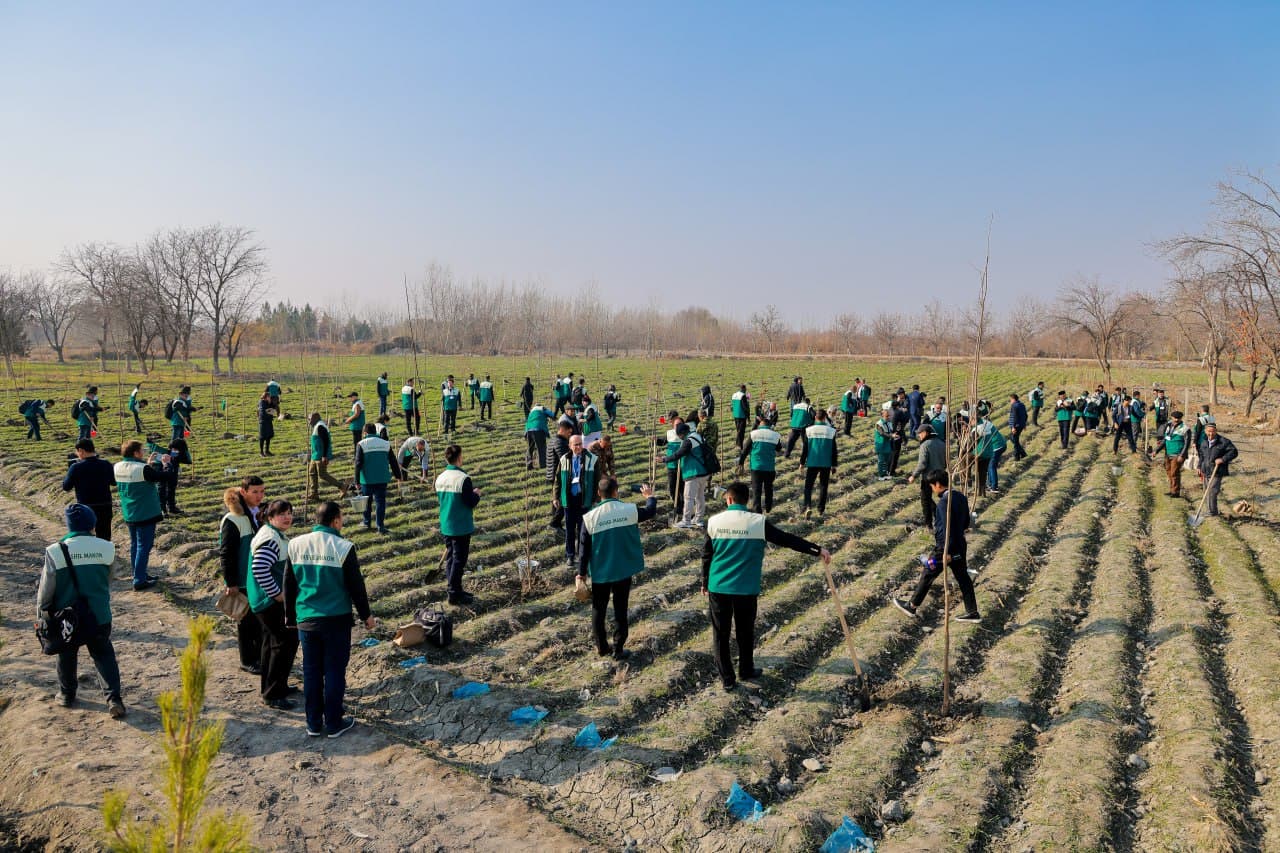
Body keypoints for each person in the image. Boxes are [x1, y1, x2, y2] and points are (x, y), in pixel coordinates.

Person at [702, 482, 830, 691]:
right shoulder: (758, 522)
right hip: (746, 588)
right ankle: (746, 669)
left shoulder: (714, 522)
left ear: (729, 499)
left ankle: (727, 679)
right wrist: (817, 550)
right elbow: (787, 539)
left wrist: (704, 581)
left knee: (720, 634)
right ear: (747, 500)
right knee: (745, 631)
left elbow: (707, 555)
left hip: (719, 586)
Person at [284, 501, 376, 738]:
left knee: (311, 672)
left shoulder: (295, 544)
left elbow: (289, 584)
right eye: (341, 518)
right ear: (335, 521)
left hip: (306, 619)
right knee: (334, 670)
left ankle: (313, 723)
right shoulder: (343, 547)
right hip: (336, 620)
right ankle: (334, 722)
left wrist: (290, 616)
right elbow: (356, 586)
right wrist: (366, 616)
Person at [38, 504, 126, 718]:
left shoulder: (55, 551)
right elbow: (109, 579)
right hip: (99, 615)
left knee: (66, 654)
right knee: (103, 654)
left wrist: (42, 614)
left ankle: (66, 694)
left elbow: (46, 589)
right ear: (92, 524)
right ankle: (114, 699)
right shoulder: (107, 548)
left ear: (69, 525)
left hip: (67, 617)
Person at [577, 479, 657, 661]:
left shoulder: (589, 518)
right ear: (616, 492)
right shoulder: (629, 510)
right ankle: (618, 648)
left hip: (601, 572)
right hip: (622, 570)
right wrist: (650, 496)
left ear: (599, 493)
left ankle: (602, 647)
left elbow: (583, 550)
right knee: (621, 608)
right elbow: (650, 511)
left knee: (598, 609)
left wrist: (581, 573)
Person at [893, 470, 981, 622]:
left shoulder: (944, 503)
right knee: (963, 578)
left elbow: (946, 529)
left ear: (938, 484)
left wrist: (946, 551)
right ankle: (972, 612)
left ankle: (912, 606)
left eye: (932, 486)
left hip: (945, 548)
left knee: (929, 570)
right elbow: (967, 522)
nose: (933, 490)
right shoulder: (960, 497)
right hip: (960, 544)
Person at [247, 498, 299, 709]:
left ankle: (275, 686)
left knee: (271, 644)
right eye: (281, 514)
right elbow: (260, 568)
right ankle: (273, 694)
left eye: (289, 513)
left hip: (264, 600)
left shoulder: (273, 534)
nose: (287, 517)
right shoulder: (270, 539)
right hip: (268, 601)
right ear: (270, 517)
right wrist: (277, 594)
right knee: (283, 644)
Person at [221, 477, 266, 674]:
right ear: (243, 491)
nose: (259, 496)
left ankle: (260, 656)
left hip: (259, 576)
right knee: (246, 621)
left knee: (259, 620)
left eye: (262, 491)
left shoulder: (259, 513)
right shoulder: (233, 519)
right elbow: (227, 553)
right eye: (255, 492)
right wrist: (231, 582)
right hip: (243, 578)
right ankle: (247, 660)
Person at [436, 444, 483, 604]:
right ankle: (454, 593)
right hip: (460, 525)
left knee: (451, 558)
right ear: (459, 457)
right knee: (459, 560)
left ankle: (455, 589)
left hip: (446, 524)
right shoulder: (463, 479)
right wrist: (476, 494)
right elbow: (469, 502)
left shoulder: (440, 478)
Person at [113, 440, 163, 591]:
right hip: (145, 512)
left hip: (129, 511)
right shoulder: (143, 469)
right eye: (142, 450)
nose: (143, 452)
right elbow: (161, 477)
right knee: (144, 546)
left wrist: (148, 464)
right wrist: (165, 464)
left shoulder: (117, 466)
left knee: (135, 544)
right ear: (135, 453)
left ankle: (139, 573)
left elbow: (136, 475)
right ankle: (139, 579)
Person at [556, 434, 600, 565]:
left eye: (580, 444)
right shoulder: (564, 459)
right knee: (570, 530)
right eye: (576, 445)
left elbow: (597, 480)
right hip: (569, 499)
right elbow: (557, 480)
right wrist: (555, 497)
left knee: (583, 530)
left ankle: (582, 555)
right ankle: (570, 555)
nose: (579, 447)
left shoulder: (592, 459)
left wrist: (596, 498)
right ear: (570, 446)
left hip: (584, 499)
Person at [62, 439, 115, 541]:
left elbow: (66, 487)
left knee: (85, 537)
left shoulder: (76, 467)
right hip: (105, 506)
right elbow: (114, 482)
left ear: (81, 451)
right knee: (104, 536)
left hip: (86, 508)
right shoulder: (106, 464)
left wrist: (70, 469)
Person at [354, 423, 402, 534]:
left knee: (367, 502)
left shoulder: (361, 444)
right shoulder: (385, 443)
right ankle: (380, 526)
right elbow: (393, 461)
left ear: (365, 433)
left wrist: (356, 480)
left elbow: (358, 463)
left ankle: (366, 522)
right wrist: (398, 475)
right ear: (375, 431)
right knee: (380, 502)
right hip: (382, 478)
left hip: (367, 479)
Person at [662, 422, 711, 528]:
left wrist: (664, 459)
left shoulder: (688, 441)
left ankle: (686, 520)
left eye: (679, 435)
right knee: (700, 497)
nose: (679, 437)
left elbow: (678, 454)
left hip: (693, 472)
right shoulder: (698, 436)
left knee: (688, 497)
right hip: (704, 471)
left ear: (682, 433)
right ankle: (699, 519)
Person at [739, 416, 783, 513]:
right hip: (769, 467)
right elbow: (779, 448)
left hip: (756, 467)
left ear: (760, 424)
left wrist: (741, 462)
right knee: (768, 488)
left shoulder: (753, 434)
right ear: (769, 426)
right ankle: (768, 507)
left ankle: (757, 510)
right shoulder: (775, 435)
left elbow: (745, 449)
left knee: (756, 490)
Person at [907, 423, 947, 526]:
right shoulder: (942, 443)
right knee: (941, 498)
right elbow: (946, 461)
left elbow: (922, 464)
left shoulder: (925, 445)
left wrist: (913, 475)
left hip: (928, 477)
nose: (919, 435)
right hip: (941, 475)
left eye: (920, 433)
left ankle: (928, 524)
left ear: (925, 433)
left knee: (925, 500)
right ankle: (941, 518)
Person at [802, 409, 838, 517]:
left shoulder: (809, 430)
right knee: (823, 486)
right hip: (826, 463)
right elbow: (834, 449)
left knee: (808, 486)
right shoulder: (831, 431)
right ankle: (821, 509)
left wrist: (802, 462)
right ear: (825, 418)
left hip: (812, 462)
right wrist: (834, 464)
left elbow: (805, 448)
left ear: (815, 417)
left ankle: (807, 506)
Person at [1197, 422, 1237, 517]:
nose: (1211, 434)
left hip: (1217, 471)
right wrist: (1199, 466)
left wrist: (1223, 459)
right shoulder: (1203, 441)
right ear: (1205, 431)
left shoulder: (1224, 441)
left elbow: (1234, 452)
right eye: (1209, 431)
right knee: (1206, 490)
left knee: (1212, 491)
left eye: (1213, 431)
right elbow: (1201, 455)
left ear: (1216, 431)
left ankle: (1212, 512)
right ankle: (1210, 510)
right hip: (1206, 470)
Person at [306, 413, 347, 501]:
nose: (309, 422)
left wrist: (324, 456)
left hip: (320, 455)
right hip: (315, 455)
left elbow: (326, 441)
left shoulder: (320, 426)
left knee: (323, 474)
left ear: (315, 418)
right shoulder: (317, 426)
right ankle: (314, 493)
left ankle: (341, 486)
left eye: (310, 419)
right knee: (312, 473)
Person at [1155, 410, 1190, 497]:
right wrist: (1156, 450)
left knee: (1174, 472)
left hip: (1177, 454)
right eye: (1175, 418)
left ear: (1181, 418)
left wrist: (1182, 455)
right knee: (1169, 471)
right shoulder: (1168, 427)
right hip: (1168, 453)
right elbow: (1165, 440)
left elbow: (1187, 444)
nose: (1176, 420)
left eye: (1178, 418)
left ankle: (1176, 492)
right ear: (1172, 417)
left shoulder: (1185, 429)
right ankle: (1172, 489)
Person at [974, 414, 1007, 495]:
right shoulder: (984, 422)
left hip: (996, 446)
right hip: (1000, 443)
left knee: (991, 466)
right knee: (989, 465)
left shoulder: (980, 427)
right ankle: (990, 484)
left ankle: (994, 487)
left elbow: (980, 441)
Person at [157, 437, 189, 518]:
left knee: (171, 490)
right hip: (164, 473)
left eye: (177, 450)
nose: (174, 451)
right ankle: (163, 509)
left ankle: (172, 507)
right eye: (173, 449)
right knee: (162, 490)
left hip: (173, 473)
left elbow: (184, 460)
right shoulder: (164, 454)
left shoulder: (178, 454)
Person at [525, 403, 554, 470]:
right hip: (538, 429)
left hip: (528, 430)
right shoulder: (542, 408)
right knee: (541, 448)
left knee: (530, 448)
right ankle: (543, 465)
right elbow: (552, 415)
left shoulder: (531, 411)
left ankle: (529, 465)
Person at [785, 397, 814, 461]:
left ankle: (787, 454)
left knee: (791, 440)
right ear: (808, 402)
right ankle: (806, 457)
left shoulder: (795, 406)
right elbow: (813, 415)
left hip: (794, 426)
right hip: (803, 426)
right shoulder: (808, 407)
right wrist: (811, 422)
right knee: (805, 442)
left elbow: (791, 414)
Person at [873, 403, 895, 480]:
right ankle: (881, 475)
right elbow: (882, 433)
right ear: (882, 416)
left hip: (887, 444)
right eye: (887, 416)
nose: (888, 417)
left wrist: (895, 434)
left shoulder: (889, 423)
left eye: (888, 416)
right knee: (881, 461)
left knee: (887, 460)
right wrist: (891, 436)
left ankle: (885, 474)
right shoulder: (878, 424)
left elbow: (891, 431)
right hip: (881, 445)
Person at [1008, 393, 1028, 460]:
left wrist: (1013, 427)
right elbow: (1026, 415)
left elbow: (1015, 417)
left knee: (1015, 441)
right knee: (1014, 439)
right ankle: (1022, 453)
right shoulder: (1022, 405)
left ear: (1013, 399)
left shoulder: (1014, 406)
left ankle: (1017, 457)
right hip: (1021, 425)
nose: (1010, 401)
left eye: (1010, 400)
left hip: (1016, 426)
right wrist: (1024, 424)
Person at [257, 390, 275, 456]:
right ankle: (261, 452)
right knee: (262, 437)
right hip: (263, 422)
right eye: (269, 397)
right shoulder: (261, 402)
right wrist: (270, 411)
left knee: (268, 436)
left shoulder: (268, 403)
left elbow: (273, 410)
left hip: (268, 421)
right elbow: (263, 412)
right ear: (265, 397)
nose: (270, 398)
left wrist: (271, 404)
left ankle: (267, 451)